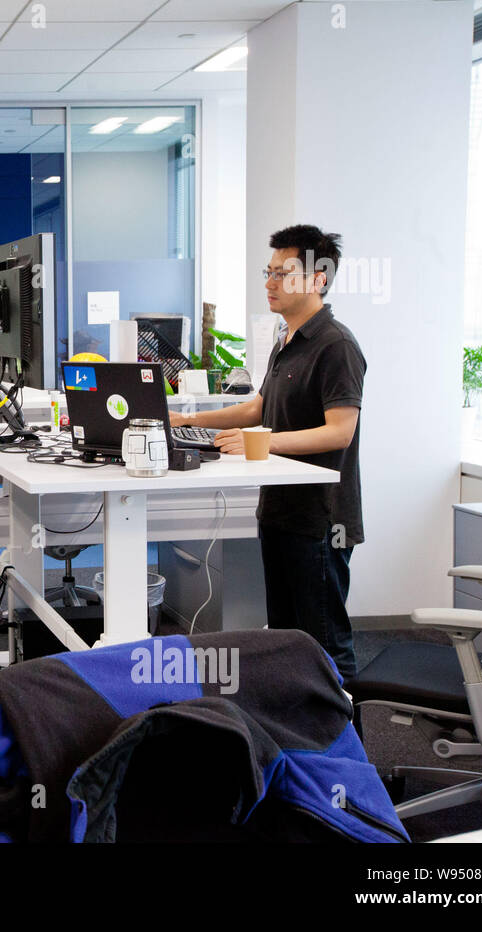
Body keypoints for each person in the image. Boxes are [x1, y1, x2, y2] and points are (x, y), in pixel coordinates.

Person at [171, 225, 365, 679]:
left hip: (321, 520)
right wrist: (191, 419)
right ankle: (297, 739)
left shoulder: (336, 345)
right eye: (268, 272)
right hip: (278, 510)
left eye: (282, 273)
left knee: (326, 647)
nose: (269, 283)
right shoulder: (287, 338)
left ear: (318, 279)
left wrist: (263, 441)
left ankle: (349, 747)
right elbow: (259, 406)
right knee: (285, 638)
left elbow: (339, 432)